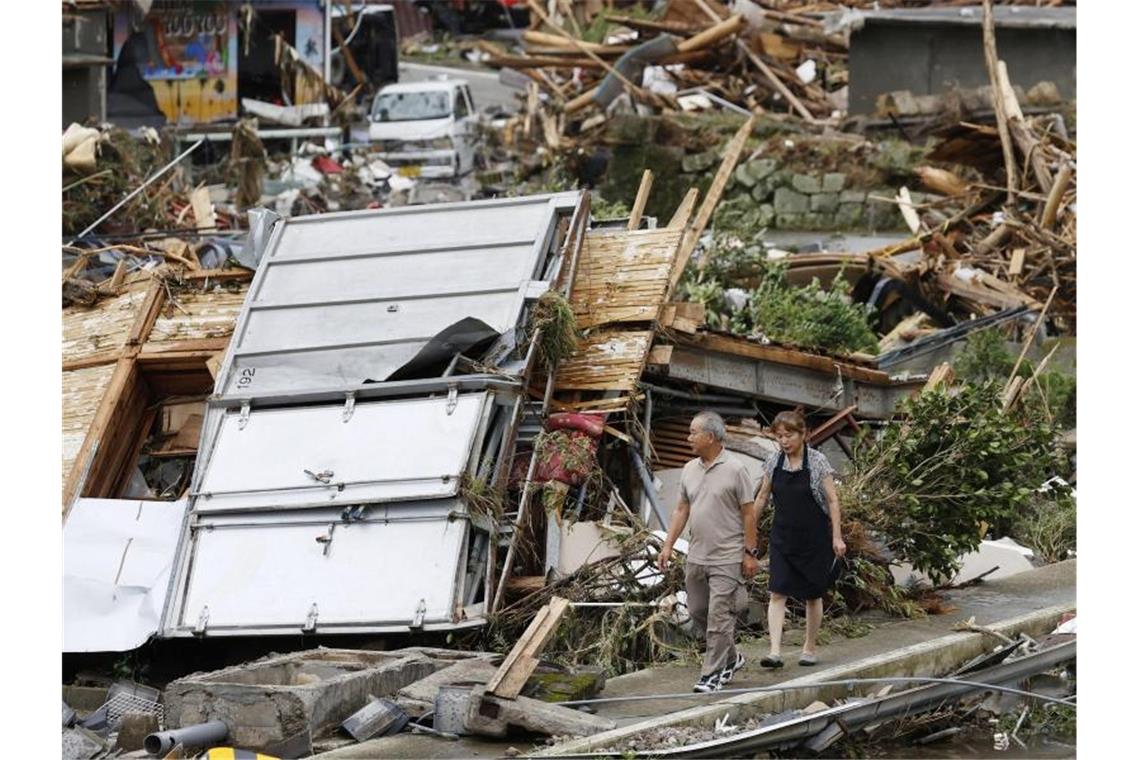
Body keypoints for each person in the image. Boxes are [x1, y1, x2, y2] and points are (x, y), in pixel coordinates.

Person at [657, 411, 758, 693]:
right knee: (698, 610)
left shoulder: (736, 470)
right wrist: (667, 545)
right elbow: (681, 509)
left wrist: (749, 553)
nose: (688, 438)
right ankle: (732, 658)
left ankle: (711, 675)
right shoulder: (689, 469)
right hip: (697, 555)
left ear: (710, 437)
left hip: (727, 556)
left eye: (693, 433)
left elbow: (749, 515)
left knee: (718, 617)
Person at [754, 410, 846, 668]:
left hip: (814, 537)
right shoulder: (773, 462)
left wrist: (836, 537)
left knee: (812, 595)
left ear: (803, 434)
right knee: (777, 591)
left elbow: (832, 500)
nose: (784, 441)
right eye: (780, 436)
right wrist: (748, 529)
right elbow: (762, 497)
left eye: (789, 435)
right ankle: (774, 651)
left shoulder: (817, 462)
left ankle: (809, 647)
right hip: (782, 536)